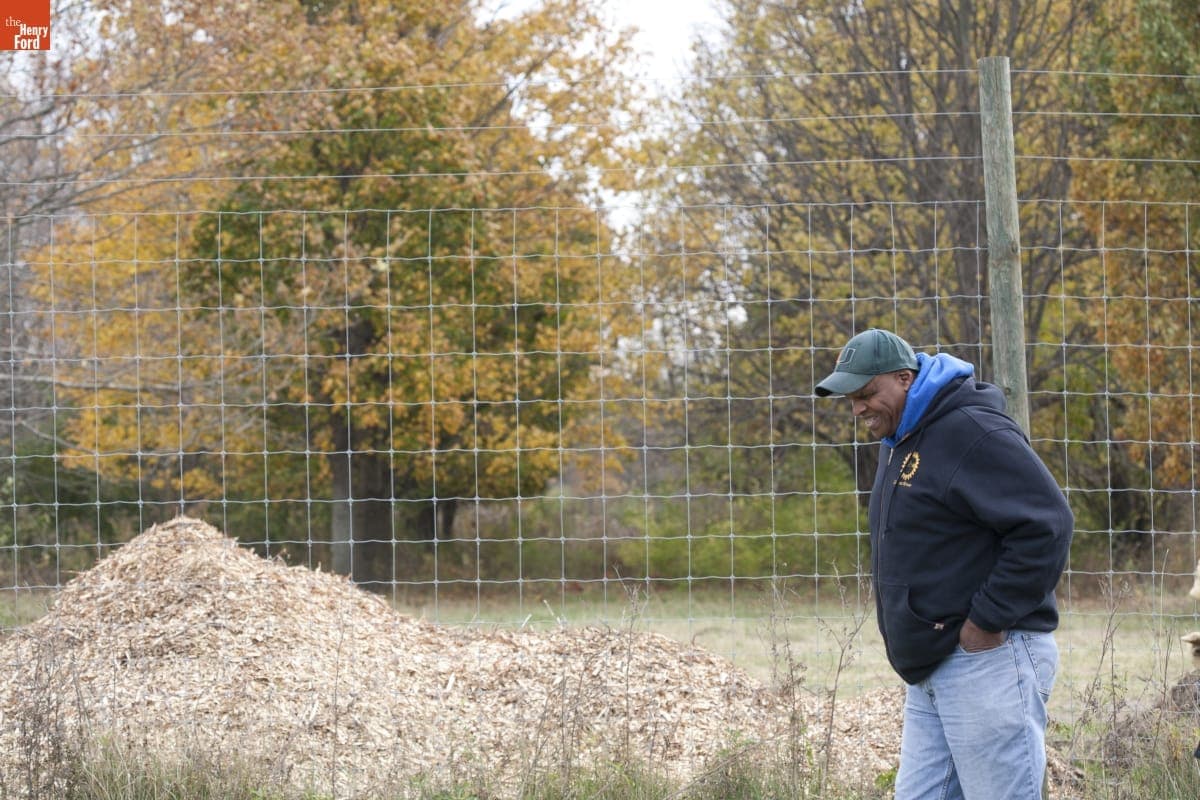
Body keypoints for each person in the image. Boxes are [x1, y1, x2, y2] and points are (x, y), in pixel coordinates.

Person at [814, 328, 1073, 800]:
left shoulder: (969, 431)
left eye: (867, 393)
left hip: (987, 658)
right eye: (851, 398)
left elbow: (1048, 524)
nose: (857, 408)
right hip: (932, 667)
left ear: (905, 378)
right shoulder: (902, 438)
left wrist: (987, 622)